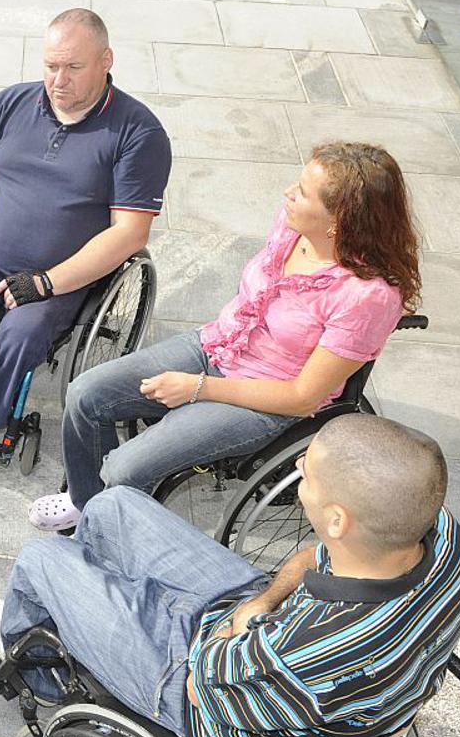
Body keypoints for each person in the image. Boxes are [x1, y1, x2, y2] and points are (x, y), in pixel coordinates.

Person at [0, 415, 460, 737]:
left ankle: (40, 676)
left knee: (42, 559)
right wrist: (259, 604)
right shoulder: (441, 536)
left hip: (199, 693)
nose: (300, 464)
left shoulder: (305, 651)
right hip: (258, 630)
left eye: (309, 469)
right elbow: (315, 559)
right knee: (113, 506)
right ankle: (92, 621)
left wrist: (232, 627)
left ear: (336, 520)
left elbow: (202, 685)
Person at [31, 141, 419, 530]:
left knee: (124, 468)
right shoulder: (293, 226)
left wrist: (197, 388)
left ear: (340, 219)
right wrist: (200, 377)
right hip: (218, 345)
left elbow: (303, 398)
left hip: (267, 397)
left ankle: (114, 530)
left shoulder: (368, 296)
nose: (288, 194)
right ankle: (86, 503)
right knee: (85, 394)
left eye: (302, 193)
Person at [0, 8, 171, 451]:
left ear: (106, 60)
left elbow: (129, 234)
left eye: (74, 67)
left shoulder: (138, 133)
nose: (59, 80)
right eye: (51, 66)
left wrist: (46, 282)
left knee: (23, 333)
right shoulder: (10, 104)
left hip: (60, 276)